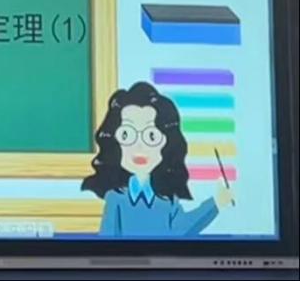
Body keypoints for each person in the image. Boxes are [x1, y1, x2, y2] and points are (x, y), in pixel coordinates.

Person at [81, 82, 234, 236]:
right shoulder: (116, 199)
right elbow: (107, 241)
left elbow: (183, 229)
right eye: (127, 135)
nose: (139, 146)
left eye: (151, 136)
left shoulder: (167, 200)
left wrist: (216, 203)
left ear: (166, 143)